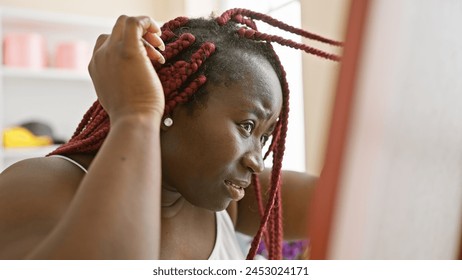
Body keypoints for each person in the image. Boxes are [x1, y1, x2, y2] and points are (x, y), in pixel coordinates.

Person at [0, 8, 341, 260]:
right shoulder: (41, 185)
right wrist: (135, 112)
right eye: (247, 126)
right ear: (170, 107)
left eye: (264, 137)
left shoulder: (224, 202)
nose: (255, 160)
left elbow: (356, 203)